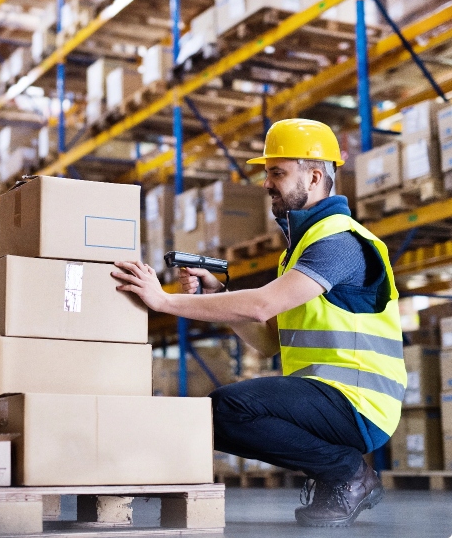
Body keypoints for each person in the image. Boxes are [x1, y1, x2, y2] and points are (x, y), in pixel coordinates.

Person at [111, 118, 407, 528]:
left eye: (277, 173)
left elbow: (260, 305)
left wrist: (163, 301)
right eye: (267, 174)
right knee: (220, 413)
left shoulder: (339, 243)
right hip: (329, 397)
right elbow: (268, 342)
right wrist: (215, 296)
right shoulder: (300, 250)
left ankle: (346, 473)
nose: (267, 183)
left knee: (227, 409)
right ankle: (341, 472)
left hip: (358, 401)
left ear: (315, 175)